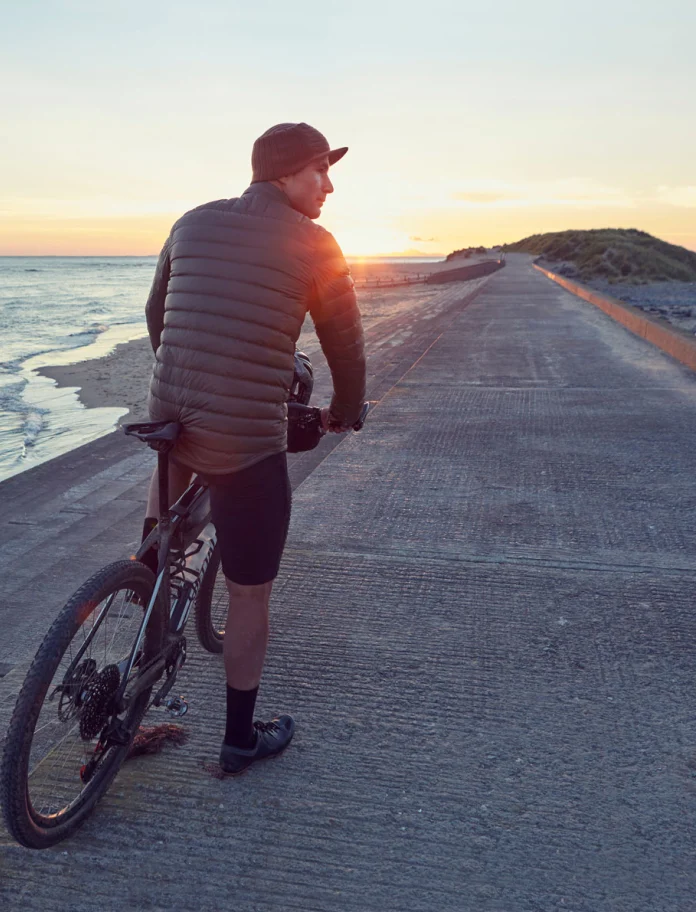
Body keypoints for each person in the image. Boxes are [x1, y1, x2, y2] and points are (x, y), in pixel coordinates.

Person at [140, 122, 366, 775]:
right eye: (319, 170)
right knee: (250, 593)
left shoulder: (192, 221)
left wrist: (183, 377)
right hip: (244, 440)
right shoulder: (316, 243)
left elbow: (157, 311)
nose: (329, 184)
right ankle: (240, 740)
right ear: (284, 173)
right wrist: (346, 413)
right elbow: (345, 348)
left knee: (169, 487)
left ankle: (144, 574)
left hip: (170, 413)